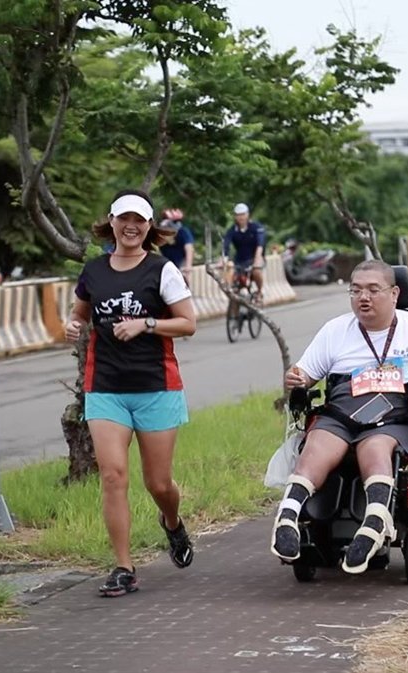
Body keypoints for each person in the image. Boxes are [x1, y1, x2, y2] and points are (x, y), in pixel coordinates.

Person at [273, 260, 408, 574]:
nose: (363, 297)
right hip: (342, 411)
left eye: (372, 290)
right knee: (317, 443)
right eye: (356, 291)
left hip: (397, 415)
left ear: (394, 293)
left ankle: (376, 521)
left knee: (376, 446)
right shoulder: (335, 330)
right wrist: (296, 379)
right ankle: (288, 514)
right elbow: (304, 373)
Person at [63, 189, 198, 597]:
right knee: (112, 476)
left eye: (139, 220)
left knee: (159, 484)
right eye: (124, 219)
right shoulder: (94, 270)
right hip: (105, 387)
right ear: (112, 221)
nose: (131, 227)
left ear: (149, 227)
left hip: (155, 386)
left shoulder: (162, 270)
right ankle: (123, 567)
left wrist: (147, 325)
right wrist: (71, 327)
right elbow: (79, 314)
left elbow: (188, 323)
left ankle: (172, 523)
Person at [221, 202, 266, 299]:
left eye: (243, 214)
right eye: (238, 215)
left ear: (247, 215)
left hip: (254, 258)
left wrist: (257, 259)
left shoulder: (256, 227)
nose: (241, 218)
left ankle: (260, 291)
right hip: (240, 260)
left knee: (256, 271)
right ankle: (232, 294)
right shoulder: (232, 230)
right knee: (230, 273)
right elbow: (226, 245)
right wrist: (224, 258)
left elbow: (260, 244)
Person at [157, 208, 195, 285]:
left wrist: (188, 266)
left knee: (183, 283)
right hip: (167, 261)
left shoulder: (183, 232)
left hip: (181, 262)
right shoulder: (161, 232)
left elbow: (189, 248)